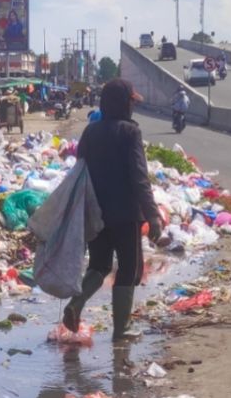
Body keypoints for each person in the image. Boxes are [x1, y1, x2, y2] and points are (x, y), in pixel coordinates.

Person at [62, 78, 163, 340]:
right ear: (124, 104)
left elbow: (80, 168)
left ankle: (75, 304)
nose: (133, 108)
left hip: (95, 212)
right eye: (131, 102)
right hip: (126, 214)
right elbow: (139, 177)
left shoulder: (90, 132)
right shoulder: (130, 132)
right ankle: (121, 330)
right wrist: (152, 216)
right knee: (129, 269)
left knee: (99, 264)